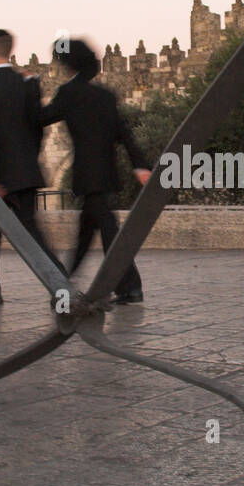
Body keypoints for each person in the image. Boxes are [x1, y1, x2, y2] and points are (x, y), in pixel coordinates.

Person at [40, 39, 151, 304]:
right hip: (106, 174)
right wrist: (140, 165)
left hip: (87, 175)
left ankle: (128, 287)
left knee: (107, 230)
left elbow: (41, 118)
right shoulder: (105, 96)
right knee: (87, 231)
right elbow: (124, 134)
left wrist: (28, 91)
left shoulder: (68, 93)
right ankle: (66, 283)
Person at [0, 28, 63, 303]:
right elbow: (38, 127)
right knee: (31, 232)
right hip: (25, 173)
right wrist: (27, 160)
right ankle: (60, 283)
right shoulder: (29, 84)